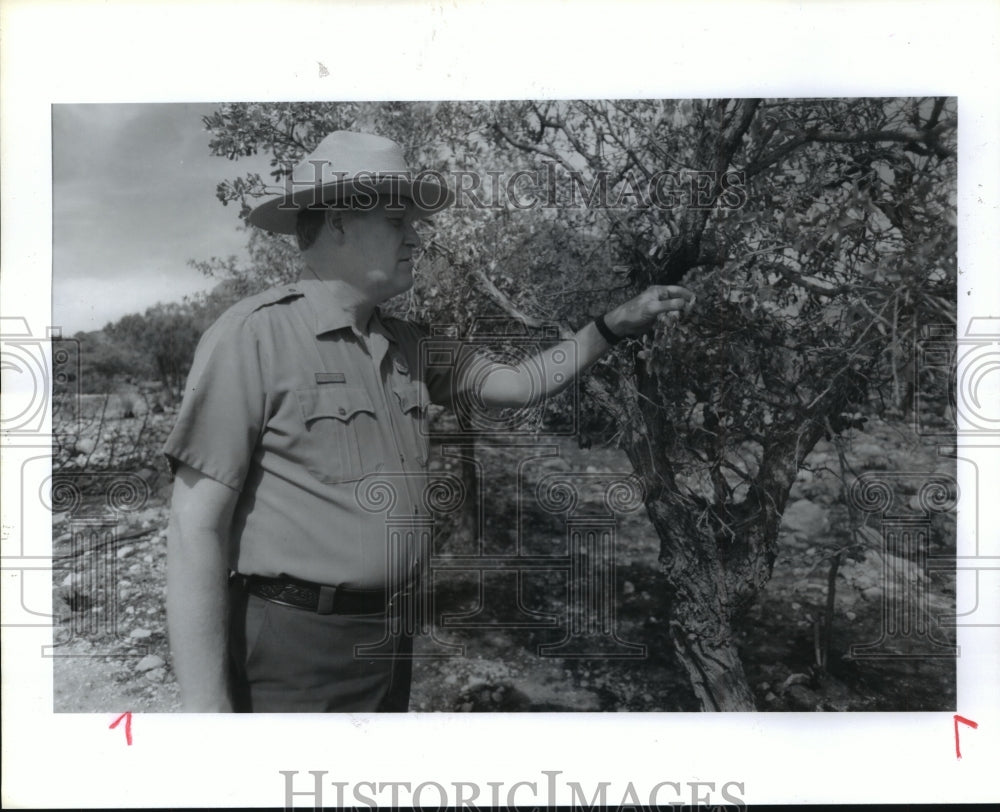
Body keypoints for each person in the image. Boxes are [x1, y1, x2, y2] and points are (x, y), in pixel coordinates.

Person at [164, 130, 695, 712]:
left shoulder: (410, 344)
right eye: (398, 221)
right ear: (338, 222)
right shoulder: (252, 337)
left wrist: (613, 325)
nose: (417, 237)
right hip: (295, 646)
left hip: (391, 635)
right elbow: (194, 527)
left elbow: (518, 385)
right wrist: (205, 712)